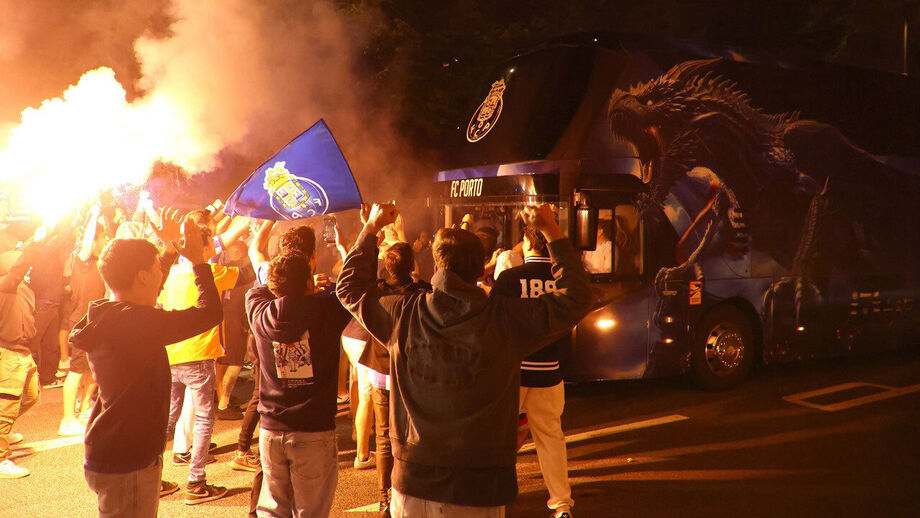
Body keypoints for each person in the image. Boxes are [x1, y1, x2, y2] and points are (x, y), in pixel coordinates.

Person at [336, 203, 593, 518]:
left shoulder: (404, 314)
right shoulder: (504, 320)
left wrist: (371, 227)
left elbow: (348, 288)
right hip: (479, 488)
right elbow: (577, 298)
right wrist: (550, 229)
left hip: (414, 479)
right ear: (481, 270)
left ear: (437, 266)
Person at [69, 213, 223, 516]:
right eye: (157, 270)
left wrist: (169, 251)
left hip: (109, 450)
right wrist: (198, 262)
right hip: (129, 458)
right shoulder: (137, 322)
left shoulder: (108, 313)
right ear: (142, 276)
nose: (161, 276)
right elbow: (209, 313)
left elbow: (142, 286)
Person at [246, 249, 352, 518]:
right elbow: (352, 286)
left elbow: (259, 286)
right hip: (313, 430)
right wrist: (368, 235)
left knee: (272, 511)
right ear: (308, 282)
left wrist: (281, 282)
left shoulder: (259, 310)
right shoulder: (327, 310)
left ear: (274, 285)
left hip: (271, 430)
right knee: (311, 512)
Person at [493, 225, 575, 518]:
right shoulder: (562, 280)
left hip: (514, 372)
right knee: (551, 439)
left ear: (527, 243)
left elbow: (494, 324)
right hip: (550, 371)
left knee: (498, 437)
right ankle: (561, 504)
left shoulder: (509, 279)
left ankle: (495, 500)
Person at [160, 222, 238, 504]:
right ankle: (196, 482)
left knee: (167, 419)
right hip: (200, 354)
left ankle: (152, 477)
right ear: (205, 248)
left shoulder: (169, 274)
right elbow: (248, 273)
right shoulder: (211, 271)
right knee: (204, 418)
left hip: (171, 354)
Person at [0, 236, 44, 479]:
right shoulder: (5, 286)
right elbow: (20, 267)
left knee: (30, 397)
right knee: (5, 409)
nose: (28, 271)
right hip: (8, 354)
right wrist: (37, 240)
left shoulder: (23, 290)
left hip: (23, 352)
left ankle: (3, 434)